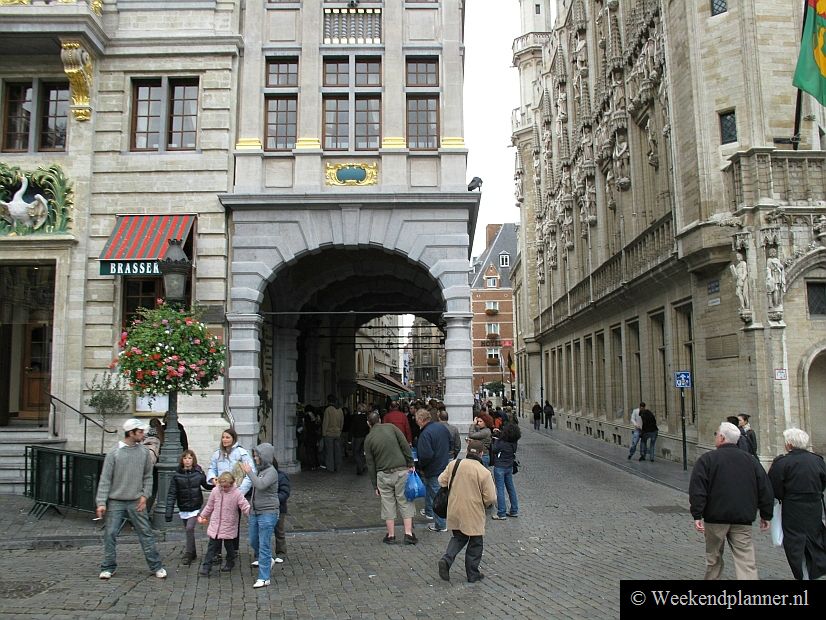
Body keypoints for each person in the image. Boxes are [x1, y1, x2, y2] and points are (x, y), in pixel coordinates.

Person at [689, 421, 774, 580]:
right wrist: (766, 515)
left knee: (713, 558)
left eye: (716, 434)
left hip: (715, 518)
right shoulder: (751, 460)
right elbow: (765, 488)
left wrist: (697, 514)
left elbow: (698, 490)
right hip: (742, 517)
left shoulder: (707, 459)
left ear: (721, 438)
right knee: (746, 560)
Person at [96, 418, 167, 580]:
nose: (143, 435)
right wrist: (101, 502)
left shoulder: (143, 452)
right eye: (140, 432)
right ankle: (108, 566)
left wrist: (145, 496)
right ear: (131, 433)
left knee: (146, 533)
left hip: (136, 500)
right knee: (110, 533)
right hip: (116, 500)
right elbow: (105, 479)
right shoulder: (114, 453)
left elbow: (148, 477)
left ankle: (156, 566)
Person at [767, 428, 826, 580]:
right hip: (814, 506)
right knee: (814, 539)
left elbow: (774, 487)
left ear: (790, 444)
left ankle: (804, 574)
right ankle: (815, 571)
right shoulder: (817, 460)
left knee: (795, 543)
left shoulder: (783, 462)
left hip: (793, 508)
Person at [436, 439, 497, 583]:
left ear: (467, 451)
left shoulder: (454, 464)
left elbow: (441, 481)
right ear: (481, 454)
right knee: (476, 542)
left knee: (458, 537)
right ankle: (472, 574)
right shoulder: (483, 472)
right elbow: (490, 498)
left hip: (454, 507)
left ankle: (446, 559)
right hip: (473, 511)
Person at [364, 411, 417, 545]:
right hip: (401, 470)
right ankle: (408, 534)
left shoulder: (368, 439)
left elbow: (370, 463)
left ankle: (391, 535)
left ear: (368, 423)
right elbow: (404, 444)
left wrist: (374, 485)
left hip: (383, 474)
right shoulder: (392, 428)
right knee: (405, 501)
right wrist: (410, 462)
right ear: (380, 420)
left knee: (387, 503)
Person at [240, 443, 280, 588]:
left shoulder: (271, 472)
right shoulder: (259, 470)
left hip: (268, 513)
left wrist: (249, 472)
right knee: (253, 540)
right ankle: (268, 559)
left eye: (257, 456)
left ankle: (264, 577)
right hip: (255, 512)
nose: (255, 458)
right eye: (255, 455)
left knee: (264, 545)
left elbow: (260, 485)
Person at [197, 472, 250, 576]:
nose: (224, 488)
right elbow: (210, 505)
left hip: (229, 524)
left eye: (226, 487)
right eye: (222, 486)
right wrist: (203, 515)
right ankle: (206, 567)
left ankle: (230, 562)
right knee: (212, 547)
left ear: (231, 484)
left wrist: (252, 513)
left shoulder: (237, 493)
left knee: (229, 545)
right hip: (216, 524)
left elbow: (244, 506)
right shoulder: (215, 491)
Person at [165, 449, 210, 565]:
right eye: (185, 458)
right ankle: (193, 552)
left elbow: (206, 485)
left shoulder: (198, 473)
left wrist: (217, 484)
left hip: (195, 506)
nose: (187, 461)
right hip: (183, 506)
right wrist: (168, 512)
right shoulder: (177, 475)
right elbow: (171, 494)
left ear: (193, 460)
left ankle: (188, 553)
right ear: (182, 460)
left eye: (190, 458)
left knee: (190, 528)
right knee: (188, 530)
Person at [415, 408, 452, 533]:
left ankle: (440, 524)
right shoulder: (441, 428)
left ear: (421, 420)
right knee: (437, 493)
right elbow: (451, 443)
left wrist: (420, 466)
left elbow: (426, 455)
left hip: (433, 468)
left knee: (436, 495)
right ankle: (433, 516)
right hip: (443, 464)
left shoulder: (425, 434)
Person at [492, 423, 521, 520]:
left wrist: (496, 439)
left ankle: (501, 513)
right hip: (509, 467)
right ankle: (514, 510)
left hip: (500, 467)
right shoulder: (514, 442)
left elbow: (494, 449)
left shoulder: (501, 442)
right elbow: (506, 438)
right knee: (511, 488)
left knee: (500, 490)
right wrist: (500, 434)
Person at [271, 457, 291, 563]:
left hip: (279, 508)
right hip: (265, 508)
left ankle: (281, 552)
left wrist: (273, 499)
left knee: (279, 531)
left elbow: (285, 493)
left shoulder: (281, 476)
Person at [322, 395, 344, 472]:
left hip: (329, 434)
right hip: (337, 433)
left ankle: (330, 468)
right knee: (338, 452)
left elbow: (325, 422)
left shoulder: (328, 410)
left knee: (329, 452)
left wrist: (324, 433)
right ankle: (338, 467)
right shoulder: (340, 410)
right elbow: (342, 422)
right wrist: (340, 430)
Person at [350, 402, 371, 475]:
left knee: (356, 452)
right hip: (365, 436)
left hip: (358, 437)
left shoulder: (356, 417)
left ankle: (360, 467)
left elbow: (352, 428)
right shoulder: (367, 417)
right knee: (362, 452)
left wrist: (350, 437)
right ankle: (362, 466)